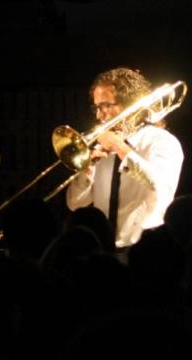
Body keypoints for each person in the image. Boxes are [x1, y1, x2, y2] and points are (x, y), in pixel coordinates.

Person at [66, 67, 183, 248]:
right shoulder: (103, 147)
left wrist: (120, 148)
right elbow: (75, 204)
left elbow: (159, 186)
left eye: (106, 106)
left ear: (130, 104)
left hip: (147, 248)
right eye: (96, 107)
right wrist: (86, 171)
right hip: (103, 247)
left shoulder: (162, 141)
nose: (99, 115)